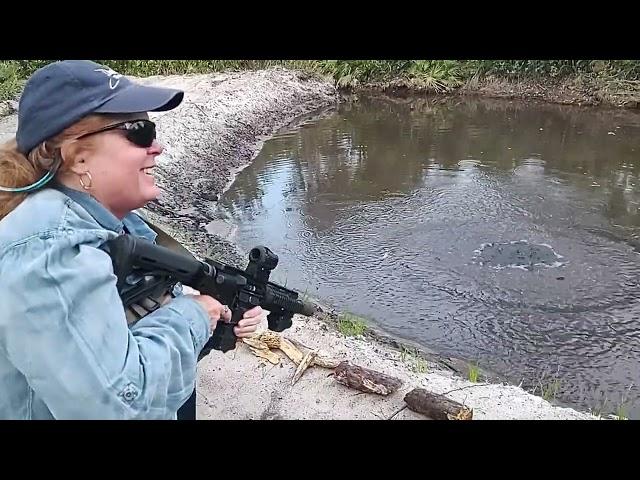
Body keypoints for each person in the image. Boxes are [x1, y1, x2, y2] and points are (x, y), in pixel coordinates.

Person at [0, 60, 264, 419]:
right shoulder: (49, 251)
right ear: (77, 157)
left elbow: (120, 331)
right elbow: (119, 406)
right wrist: (195, 314)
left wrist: (216, 311)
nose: (157, 147)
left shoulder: (112, 225)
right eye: (140, 131)